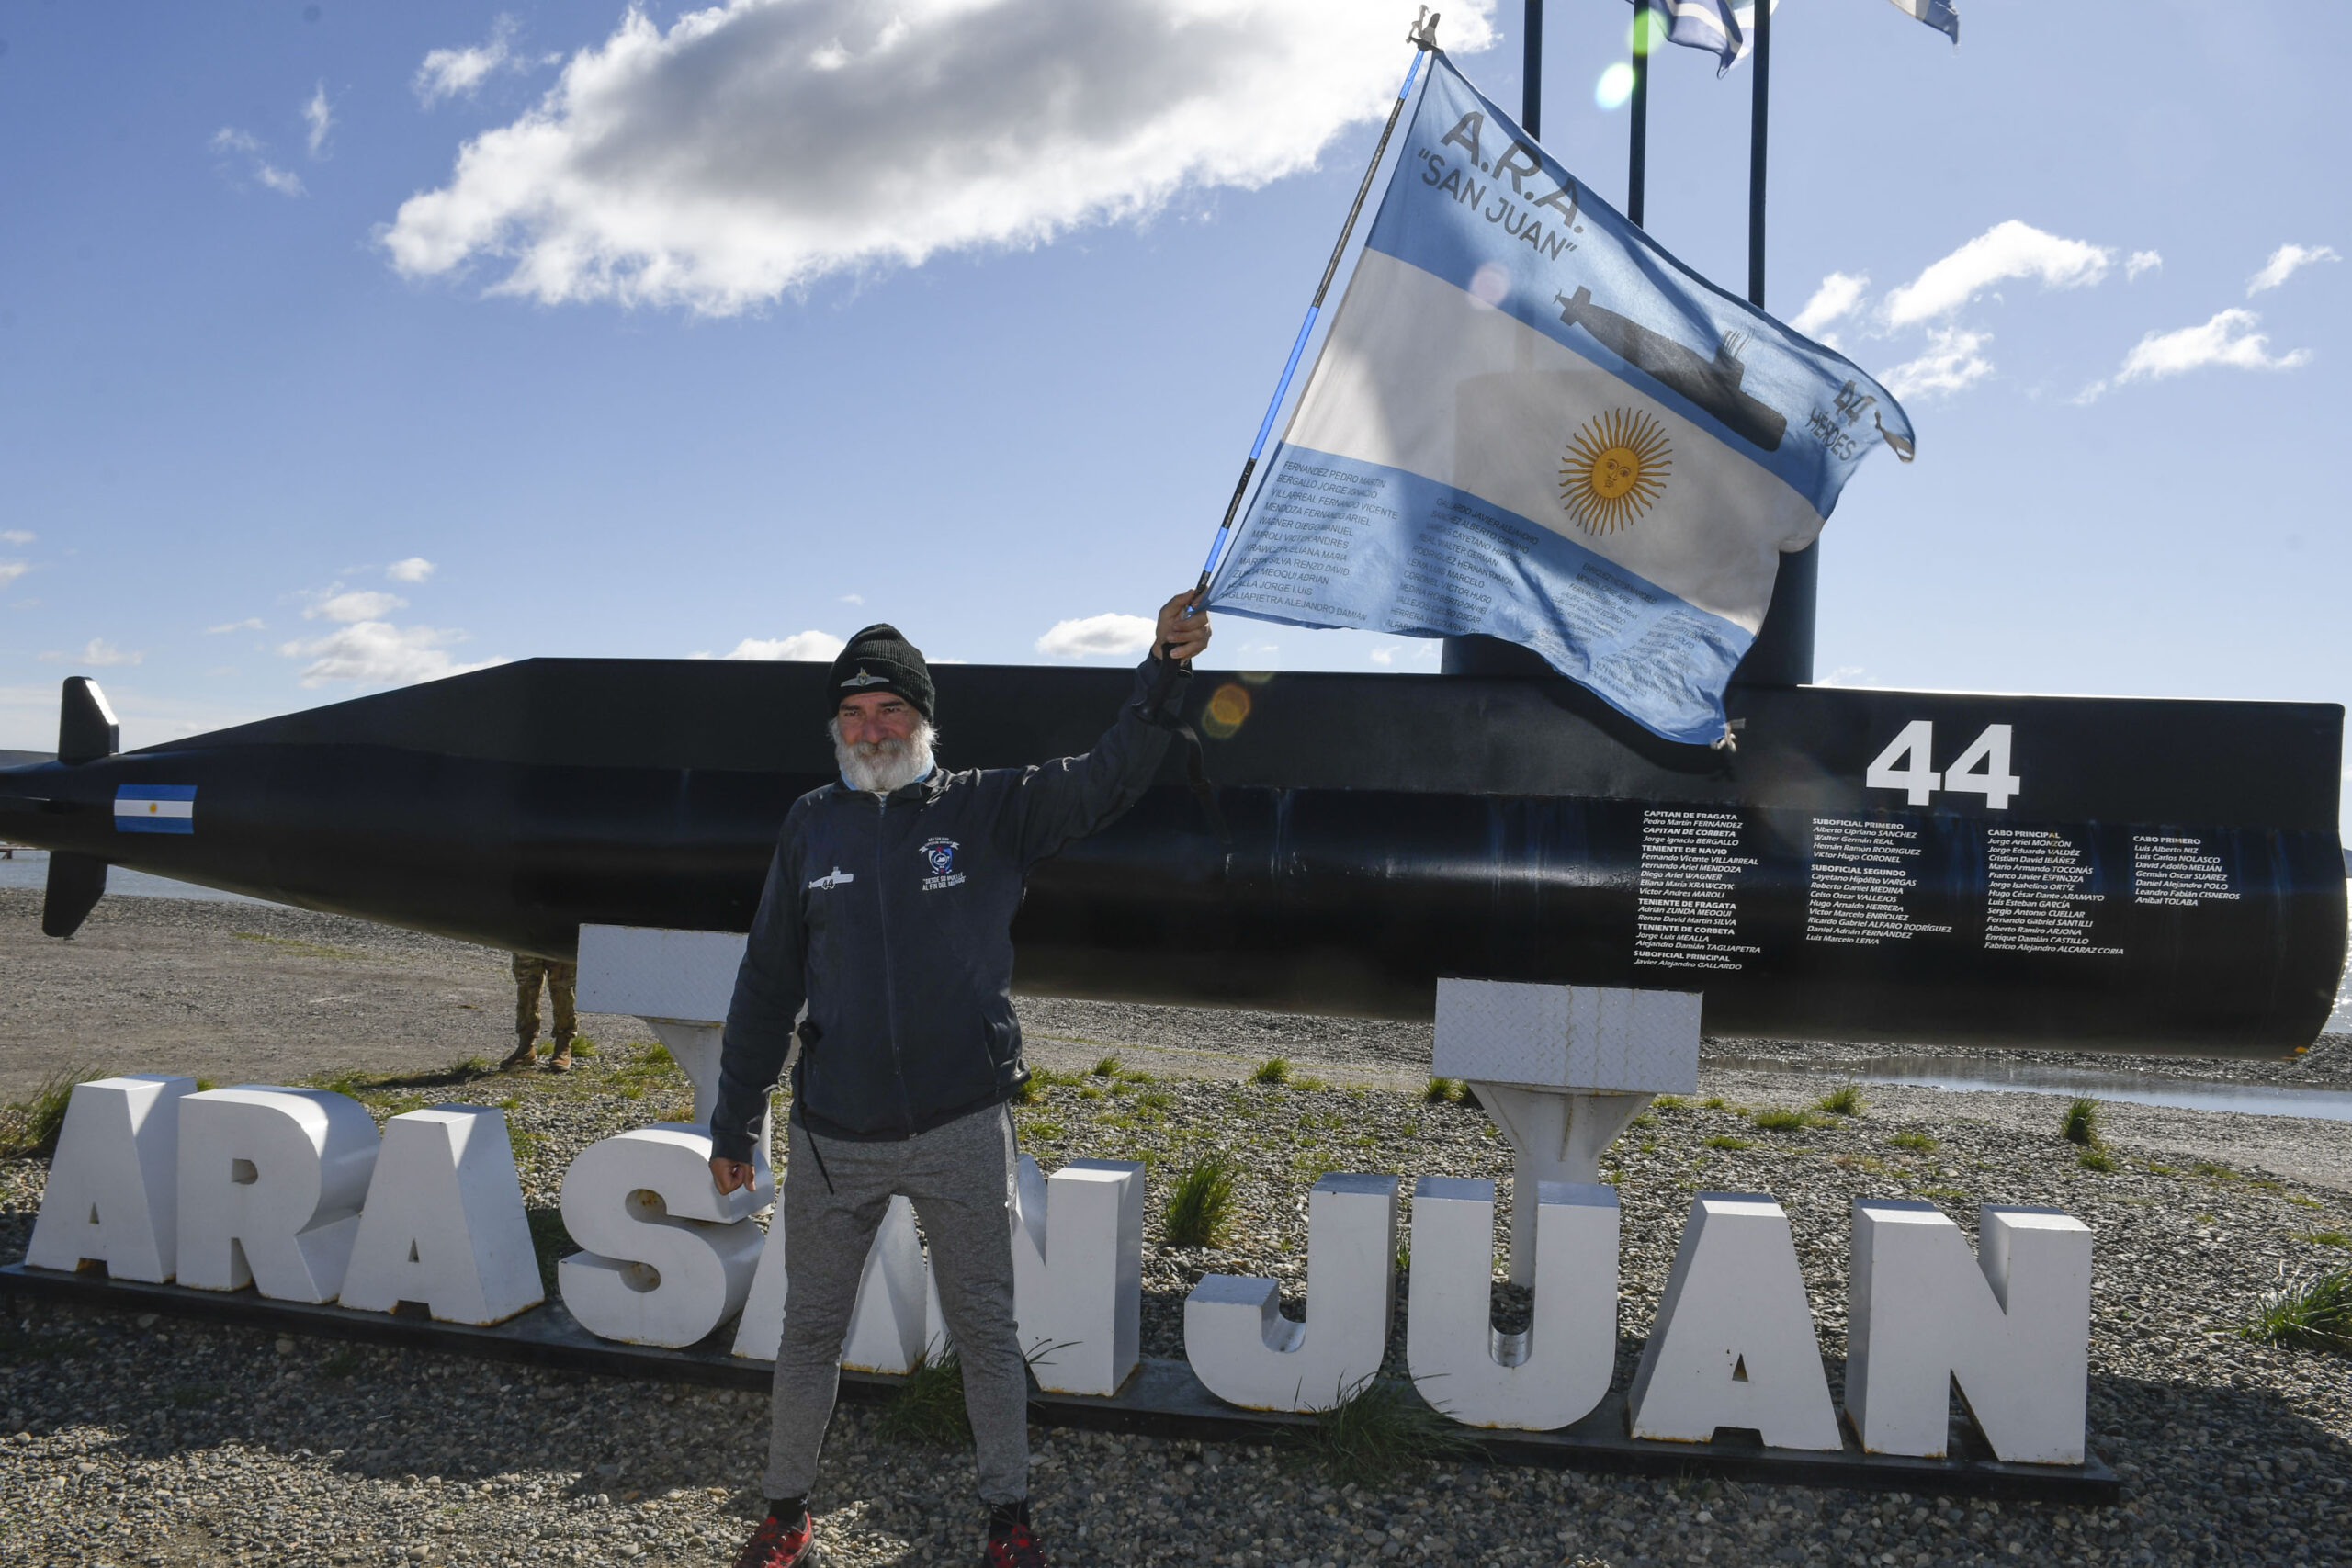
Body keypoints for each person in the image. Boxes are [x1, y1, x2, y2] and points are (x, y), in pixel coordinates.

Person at [708, 592, 1210, 1568]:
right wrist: (735, 1124)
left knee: (985, 1328)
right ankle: (785, 1511)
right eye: (851, 715)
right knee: (806, 1332)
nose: (870, 729)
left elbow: (1109, 778)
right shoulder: (811, 824)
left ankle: (1007, 1516)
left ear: (924, 719)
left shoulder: (991, 807)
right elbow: (767, 979)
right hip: (832, 1135)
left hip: (960, 1124)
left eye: (890, 710)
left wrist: (1164, 667)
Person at [502, 953, 580, 1072]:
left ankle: (563, 1045)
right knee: (527, 987)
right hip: (528, 939)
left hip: (562, 939)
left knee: (563, 988)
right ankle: (526, 1047)